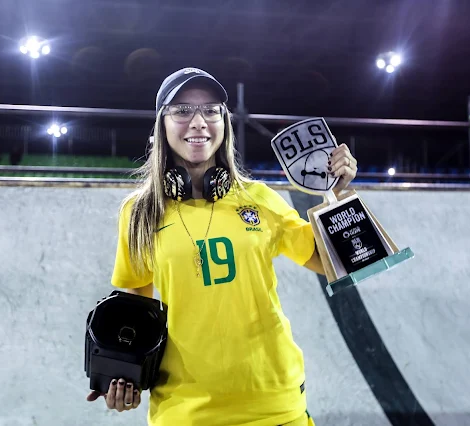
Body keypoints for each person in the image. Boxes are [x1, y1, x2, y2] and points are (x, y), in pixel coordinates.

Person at [86, 67, 358, 426]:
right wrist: (122, 377)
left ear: (224, 123)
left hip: (275, 405)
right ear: (161, 125)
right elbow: (134, 314)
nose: (198, 122)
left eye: (210, 110)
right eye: (182, 110)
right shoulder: (139, 213)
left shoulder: (260, 199)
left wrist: (338, 193)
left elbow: (337, 262)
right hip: (184, 412)